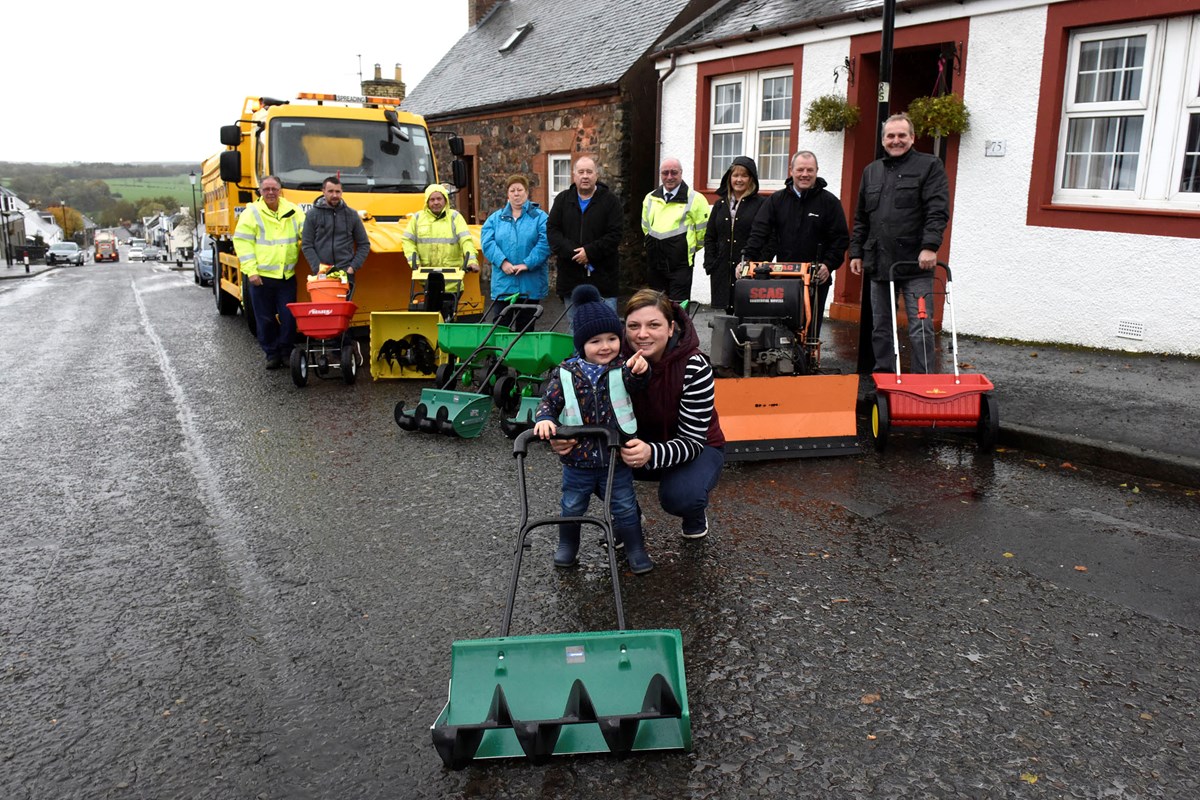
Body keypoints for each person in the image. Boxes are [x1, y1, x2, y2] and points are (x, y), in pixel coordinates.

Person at [534, 284, 653, 573]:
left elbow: (638, 385)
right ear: (581, 344)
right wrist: (545, 420)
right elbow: (549, 402)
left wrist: (642, 371)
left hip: (615, 456)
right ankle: (567, 545)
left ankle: (635, 548)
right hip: (577, 459)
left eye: (612, 338)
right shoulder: (566, 373)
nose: (605, 347)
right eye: (596, 341)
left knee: (624, 506)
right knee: (573, 504)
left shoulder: (623, 367)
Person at [849, 113, 950, 373]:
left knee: (920, 325)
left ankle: (924, 380)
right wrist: (856, 252)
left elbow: (937, 210)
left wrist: (930, 247)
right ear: (883, 141)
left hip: (916, 262)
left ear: (912, 138)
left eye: (901, 135)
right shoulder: (871, 171)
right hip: (879, 262)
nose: (896, 141)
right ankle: (885, 378)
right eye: (890, 136)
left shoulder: (929, 166)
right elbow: (862, 217)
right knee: (881, 326)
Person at [623, 289, 725, 539]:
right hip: (635, 446)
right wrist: (560, 431)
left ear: (671, 328)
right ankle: (626, 515)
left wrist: (650, 452)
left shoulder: (695, 366)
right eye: (633, 326)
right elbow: (570, 385)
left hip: (696, 447)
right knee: (585, 463)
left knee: (681, 497)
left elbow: (692, 440)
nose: (642, 334)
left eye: (653, 325)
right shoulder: (613, 359)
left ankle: (694, 512)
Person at [743, 151, 850, 338]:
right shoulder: (776, 201)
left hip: (816, 278)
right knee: (782, 328)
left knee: (810, 332)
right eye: (800, 169)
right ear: (791, 171)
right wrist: (747, 259)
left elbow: (840, 239)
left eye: (810, 170)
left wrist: (829, 265)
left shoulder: (830, 202)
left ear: (817, 171)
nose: (805, 174)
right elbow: (759, 232)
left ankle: (809, 365)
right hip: (783, 277)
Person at [233, 175, 305, 370]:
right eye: (266, 189)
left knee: (288, 317)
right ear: (260, 192)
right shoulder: (251, 213)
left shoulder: (294, 210)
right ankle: (272, 354)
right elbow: (242, 242)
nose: (271, 193)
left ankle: (286, 351)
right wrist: (251, 272)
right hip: (260, 278)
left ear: (280, 190)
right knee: (264, 318)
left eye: (274, 189)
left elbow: (306, 234)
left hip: (286, 276)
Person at [547, 156, 624, 326]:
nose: (585, 176)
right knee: (577, 329)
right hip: (571, 278)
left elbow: (615, 234)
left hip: (603, 279)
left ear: (596, 175)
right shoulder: (562, 200)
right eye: (581, 172)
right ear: (574, 176)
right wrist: (575, 252)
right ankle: (579, 355)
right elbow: (552, 231)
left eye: (589, 172)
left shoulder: (610, 201)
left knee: (606, 328)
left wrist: (590, 252)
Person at [480, 175, 549, 332]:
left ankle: (522, 356)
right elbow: (487, 243)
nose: (516, 194)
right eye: (512, 190)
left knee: (525, 330)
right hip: (504, 284)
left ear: (527, 192)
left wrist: (527, 264)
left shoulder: (540, 218)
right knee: (499, 328)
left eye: (520, 190)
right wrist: (503, 262)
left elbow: (545, 243)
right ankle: (497, 356)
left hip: (530, 284)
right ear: (507, 194)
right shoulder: (494, 219)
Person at [401, 184, 480, 318]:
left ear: (445, 200)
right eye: (432, 200)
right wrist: (414, 262)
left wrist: (471, 261)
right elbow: (407, 241)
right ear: (427, 201)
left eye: (439, 199)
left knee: (446, 315)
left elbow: (466, 241)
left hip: (453, 280)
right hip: (428, 279)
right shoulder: (417, 219)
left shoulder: (455, 217)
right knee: (430, 316)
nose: (436, 202)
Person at [703, 156, 768, 313]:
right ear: (729, 178)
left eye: (744, 175)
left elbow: (769, 239)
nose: (739, 180)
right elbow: (710, 236)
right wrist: (711, 262)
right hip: (722, 272)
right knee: (726, 321)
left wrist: (758, 265)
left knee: (747, 317)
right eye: (735, 175)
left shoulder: (761, 204)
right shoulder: (720, 204)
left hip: (750, 271)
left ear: (751, 179)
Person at [641, 156, 710, 303]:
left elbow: (703, 234)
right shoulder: (650, 198)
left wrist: (685, 248)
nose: (669, 177)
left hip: (680, 265)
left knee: (679, 310)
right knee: (656, 308)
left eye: (674, 172)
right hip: (655, 263)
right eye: (665, 173)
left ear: (681, 173)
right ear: (661, 175)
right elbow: (645, 227)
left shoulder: (695, 199)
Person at [302, 176, 370, 285]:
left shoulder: (352, 215)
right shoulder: (312, 215)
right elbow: (307, 245)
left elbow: (364, 244)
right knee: (323, 302)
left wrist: (352, 268)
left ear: (342, 192)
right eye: (330, 191)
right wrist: (318, 268)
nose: (334, 195)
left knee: (343, 302)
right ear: (323, 191)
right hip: (322, 274)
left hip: (345, 273)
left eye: (338, 191)